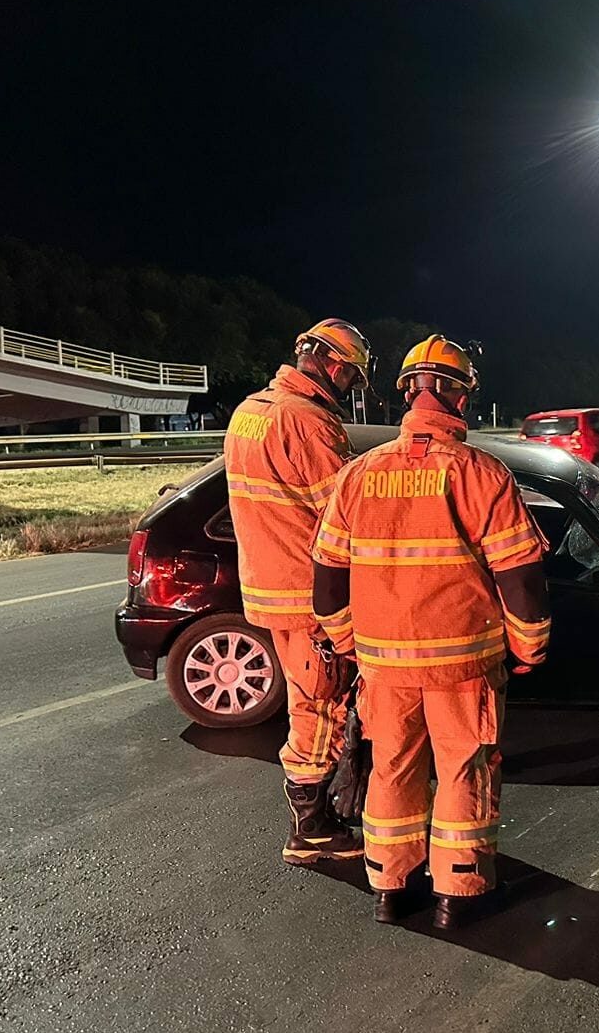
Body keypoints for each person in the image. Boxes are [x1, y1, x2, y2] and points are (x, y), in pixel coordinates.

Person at [311, 334, 550, 929]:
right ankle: (458, 892)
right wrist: (530, 646)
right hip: (462, 667)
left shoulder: (357, 475)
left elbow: (327, 577)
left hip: (384, 669)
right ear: (456, 396)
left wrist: (349, 643)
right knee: (464, 771)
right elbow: (521, 578)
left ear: (408, 395)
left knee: (391, 769)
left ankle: (390, 890)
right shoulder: (482, 474)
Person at [224, 318, 373, 865]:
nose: (351, 389)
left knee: (309, 699)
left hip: (267, 588)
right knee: (321, 707)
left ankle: (314, 816)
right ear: (334, 366)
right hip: (308, 596)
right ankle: (311, 827)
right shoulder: (309, 424)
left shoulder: (250, 412)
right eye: (353, 378)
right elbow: (347, 518)